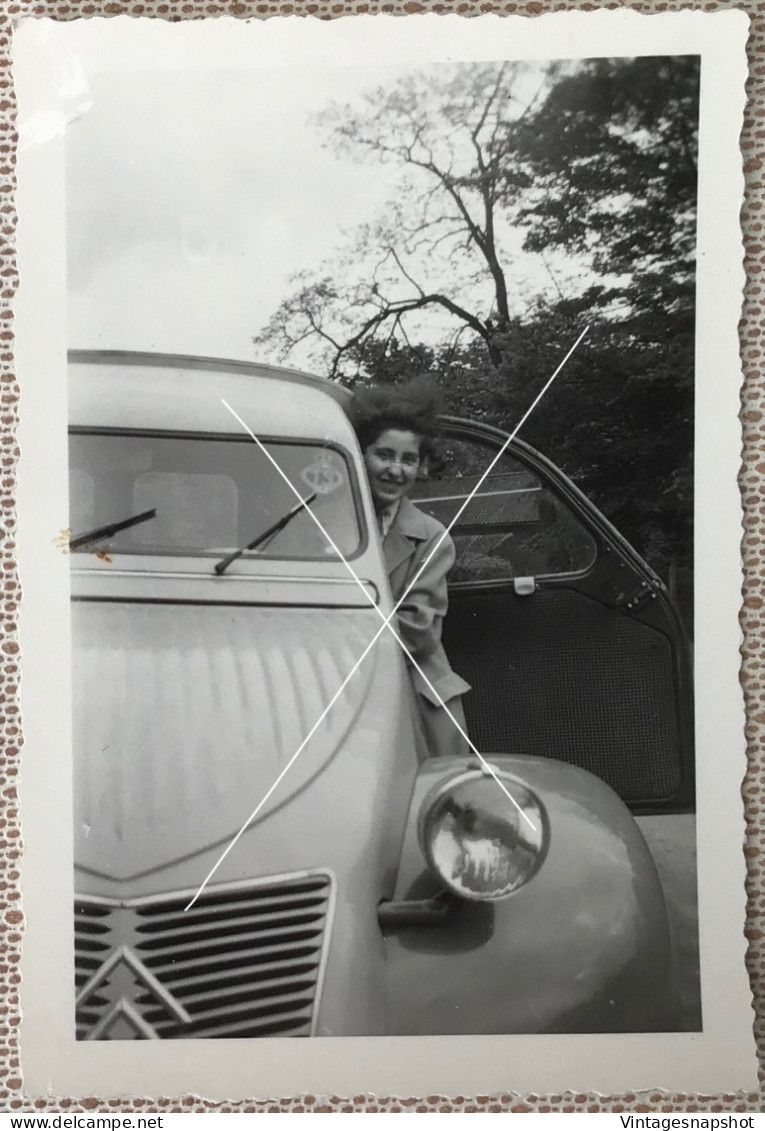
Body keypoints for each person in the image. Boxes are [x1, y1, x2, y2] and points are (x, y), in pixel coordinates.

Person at [348, 379, 471, 760]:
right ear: (358, 456)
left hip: (411, 692)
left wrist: (336, 638)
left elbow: (417, 632)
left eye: (408, 460)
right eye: (384, 455)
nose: (395, 470)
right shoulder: (322, 526)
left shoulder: (432, 538)